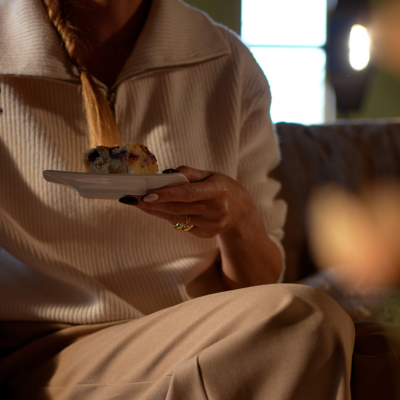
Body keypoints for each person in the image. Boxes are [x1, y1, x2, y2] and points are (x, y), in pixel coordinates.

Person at [0, 0, 355, 399]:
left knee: (327, 327)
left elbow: (257, 286)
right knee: (304, 322)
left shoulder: (227, 62)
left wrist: (237, 221)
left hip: (192, 330)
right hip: (48, 349)